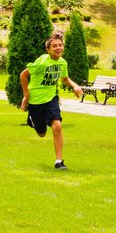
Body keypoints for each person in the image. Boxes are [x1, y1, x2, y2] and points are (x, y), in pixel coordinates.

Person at [20, 32, 84, 169]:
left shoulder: (62, 63)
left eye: (60, 45)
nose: (58, 48)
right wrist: (26, 95)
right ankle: (33, 119)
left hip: (51, 99)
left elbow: (64, 79)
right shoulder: (42, 61)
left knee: (57, 127)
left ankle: (59, 161)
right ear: (48, 49)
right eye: (54, 46)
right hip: (36, 101)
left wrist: (74, 85)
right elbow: (23, 75)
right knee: (42, 133)